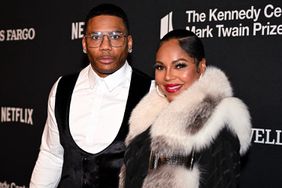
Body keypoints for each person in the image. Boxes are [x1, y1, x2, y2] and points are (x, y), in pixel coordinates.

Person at [30, 3, 152, 188]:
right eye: (95, 37)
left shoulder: (150, 91)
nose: (105, 46)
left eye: (115, 36)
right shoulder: (62, 88)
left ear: (129, 43)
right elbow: (51, 155)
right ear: (85, 44)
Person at [119, 29, 252, 188]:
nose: (168, 76)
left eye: (179, 65)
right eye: (160, 67)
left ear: (201, 67)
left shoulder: (217, 127)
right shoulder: (148, 118)